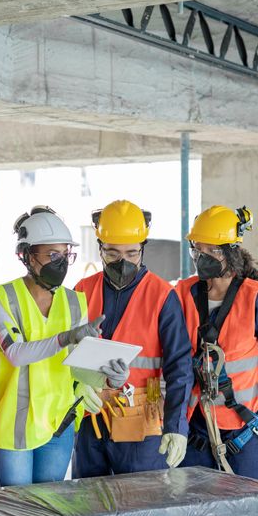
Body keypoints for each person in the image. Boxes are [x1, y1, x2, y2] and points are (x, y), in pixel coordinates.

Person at [0, 206, 128, 486]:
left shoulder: (75, 301)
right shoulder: (4, 297)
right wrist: (65, 337)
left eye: (65, 255)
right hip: (16, 424)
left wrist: (111, 377)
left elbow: (80, 368)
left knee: (50, 511)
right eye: (52, 255)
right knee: (19, 511)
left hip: (59, 423)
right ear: (26, 255)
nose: (60, 263)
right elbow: (15, 354)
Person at [73, 199, 193, 478]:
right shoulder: (81, 291)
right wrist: (75, 387)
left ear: (143, 248)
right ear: (100, 248)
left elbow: (180, 367)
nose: (122, 262)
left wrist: (177, 427)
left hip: (140, 425)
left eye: (131, 253)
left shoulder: (162, 296)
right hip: (91, 419)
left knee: (140, 507)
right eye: (112, 253)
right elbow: (63, 353)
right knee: (89, 510)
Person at [176, 205, 258, 480]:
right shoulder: (183, 293)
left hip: (242, 428)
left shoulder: (257, 297)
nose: (201, 257)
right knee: (193, 510)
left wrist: (250, 400)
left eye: (210, 250)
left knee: (245, 510)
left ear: (229, 252)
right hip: (196, 426)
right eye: (197, 250)